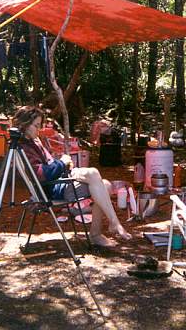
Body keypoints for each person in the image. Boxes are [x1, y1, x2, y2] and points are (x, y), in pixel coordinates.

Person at [12, 106, 131, 247]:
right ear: (24, 124)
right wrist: (62, 163)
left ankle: (99, 232)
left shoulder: (32, 142)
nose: (39, 130)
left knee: (106, 185)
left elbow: (49, 164)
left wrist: (63, 163)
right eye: (36, 126)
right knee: (95, 175)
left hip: (60, 180)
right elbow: (42, 175)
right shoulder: (25, 148)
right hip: (53, 189)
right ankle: (111, 225)